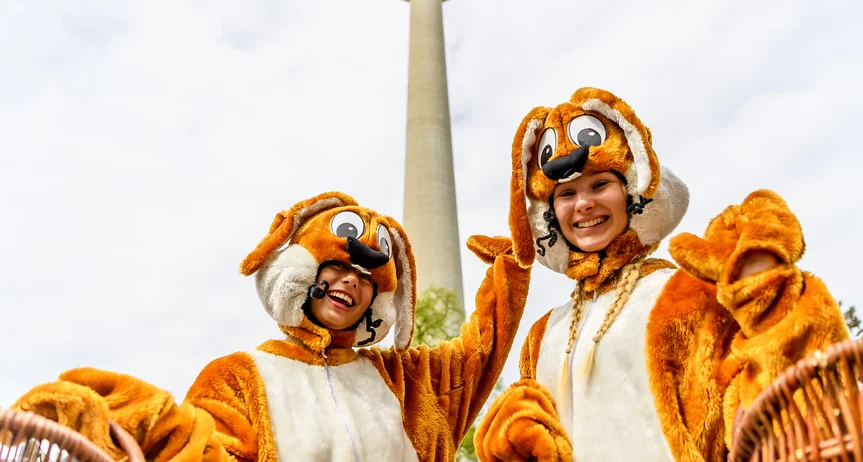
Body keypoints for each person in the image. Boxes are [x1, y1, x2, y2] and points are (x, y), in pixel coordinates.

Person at [11, 191, 530, 462]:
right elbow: (205, 453)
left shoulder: (409, 383)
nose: (351, 283)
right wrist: (147, 429)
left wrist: (513, 268)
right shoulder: (239, 377)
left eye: (367, 278)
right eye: (339, 268)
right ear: (304, 271)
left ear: (379, 298)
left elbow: (478, 352)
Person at [474, 88, 850, 461]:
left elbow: (770, 408)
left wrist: (765, 288)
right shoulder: (542, 335)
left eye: (600, 184)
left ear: (632, 190)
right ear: (550, 213)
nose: (584, 203)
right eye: (566, 193)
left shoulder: (686, 292)